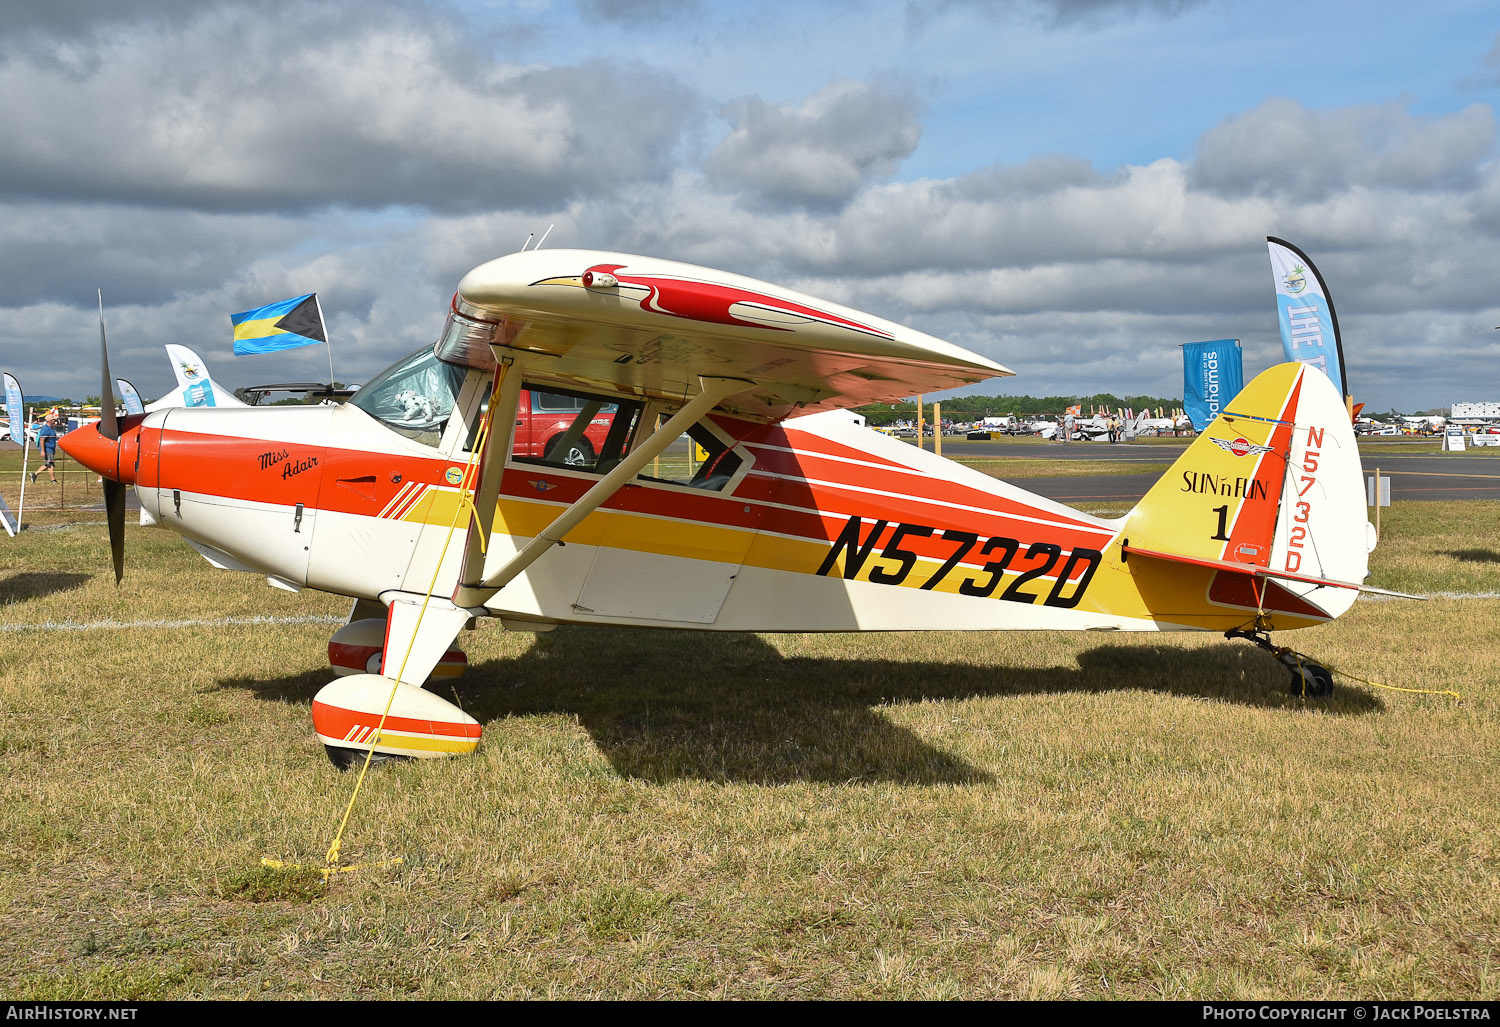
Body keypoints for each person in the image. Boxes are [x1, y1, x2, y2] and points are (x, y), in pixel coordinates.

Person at [30, 410, 60, 483]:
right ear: (50, 420)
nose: (54, 420)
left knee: (48, 464)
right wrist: (43, 451)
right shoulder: (45, 429)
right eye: (53, 419)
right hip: (47, 449)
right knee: (50, 464)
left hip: (51, 448)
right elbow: (42, 440)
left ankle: (35, 474)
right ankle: (53, 480)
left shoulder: (51, 428)